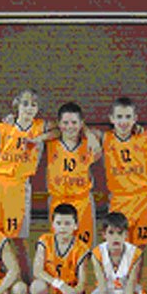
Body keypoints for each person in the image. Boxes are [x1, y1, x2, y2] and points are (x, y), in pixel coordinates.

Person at [0, 88, 49, 282]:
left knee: (18, 239)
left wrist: (39, 139)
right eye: (25, 104)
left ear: (38, 109)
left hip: (18, 187)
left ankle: (27, 282)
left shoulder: (40, 127)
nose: (28, 108)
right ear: (17, 105)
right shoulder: (2, 128)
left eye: (33, 105)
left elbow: (59, 129)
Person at [98, 96, 147, 249]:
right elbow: (80, 128)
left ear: (135, 119)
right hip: (119, 199)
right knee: (117, 245)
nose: (123, 121)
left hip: (143, 199)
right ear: (111, 119)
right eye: (119, 117)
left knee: (140, 246)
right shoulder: (105, 138)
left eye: (128, 117)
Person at [29, 203, 90, 294]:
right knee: (36, 286)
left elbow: (82, 284)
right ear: (53, 225)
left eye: (67, 223)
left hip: (70, 291)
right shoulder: (45, 240)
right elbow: (37, 271)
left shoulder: (81, 248)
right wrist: (60, 285)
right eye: (59, 223)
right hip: (52, 288)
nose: (63, 227)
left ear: (76, 225)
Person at [45, 102, 100, 248]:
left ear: (81, 123)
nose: (70, 126)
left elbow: (99, 146)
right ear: (59, 124)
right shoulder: (50, 142)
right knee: (60, 246)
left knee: (86, 246)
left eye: (74, 122)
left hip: (82, 202)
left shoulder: (89, 143)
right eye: (65, 123)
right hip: (58, 201)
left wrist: (88, 133)